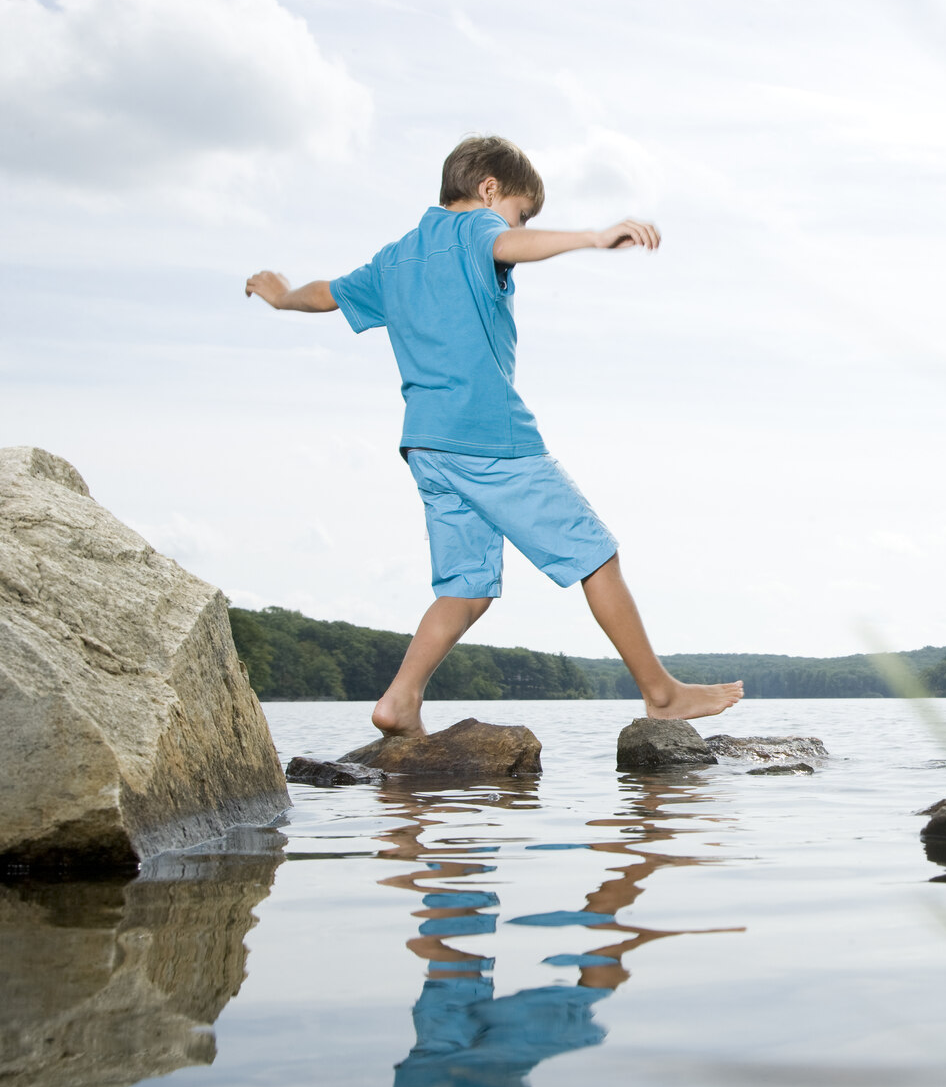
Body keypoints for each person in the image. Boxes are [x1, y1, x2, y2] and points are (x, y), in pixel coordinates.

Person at [246, 135, 741, 735]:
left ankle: (399, 701)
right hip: (491, 439)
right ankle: (660, 694)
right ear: (487, 192)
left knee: (466, 588)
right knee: (596, 554)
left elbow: (325, 295)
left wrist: (280, 298)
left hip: (427, 446)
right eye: (523, 209)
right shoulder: (478, 231)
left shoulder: (393, 258)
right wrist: (592, 236)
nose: (523, 223)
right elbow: (506, 241)